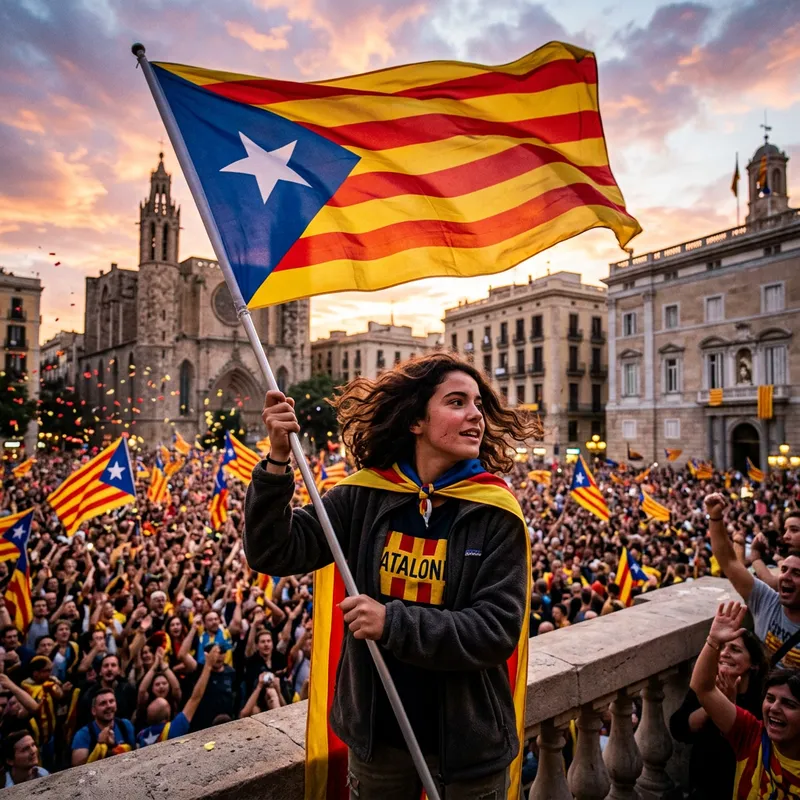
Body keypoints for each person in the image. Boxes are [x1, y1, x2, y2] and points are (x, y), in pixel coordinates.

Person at [245, 352, 537, 799]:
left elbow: (496, 631)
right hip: (379, 740)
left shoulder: (495, 512)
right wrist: (278, 461)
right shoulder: (363, 496)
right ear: (415, 420)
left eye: (478, 404)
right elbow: (274, 550)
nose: (476, 415)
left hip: (467, 748)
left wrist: (392, 623)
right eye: (457, 402)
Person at [690, 601, 800, 796]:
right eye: (770, 698)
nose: (774, 708)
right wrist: (713, 640)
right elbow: (702, 688)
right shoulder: (753, 736)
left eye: (788, 704)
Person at [670, 627, 768, 799]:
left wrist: (730, 707)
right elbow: (679, 728)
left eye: (735, 649)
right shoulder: (706, 683)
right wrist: (713, 702)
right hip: (704, 785)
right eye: (722, 648)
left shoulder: (764, 695)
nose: (724, 653)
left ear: (753, 663)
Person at [706, 493, 800, 668]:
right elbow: (729, 561)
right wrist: (715, 517)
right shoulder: (766, 600)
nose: (785, 577)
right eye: (784, 570)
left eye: (797, 573)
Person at [137, 648, 214, 747]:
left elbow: (177, 688)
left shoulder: (141, 736)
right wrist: (208, 667)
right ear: (167, 716)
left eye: (164, 683)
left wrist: (163, 667)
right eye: (157, 684)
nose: (161, 686)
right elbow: (195, 698)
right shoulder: (174, 728)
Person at [71, 688, 136, 766]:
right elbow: (77, 769)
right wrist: (99, 745)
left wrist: (112, 748)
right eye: (103, 703)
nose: (108, 706)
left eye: (111, 701)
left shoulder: (126, 725)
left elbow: (135, 753)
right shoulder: (83, 735)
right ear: (94, 711)